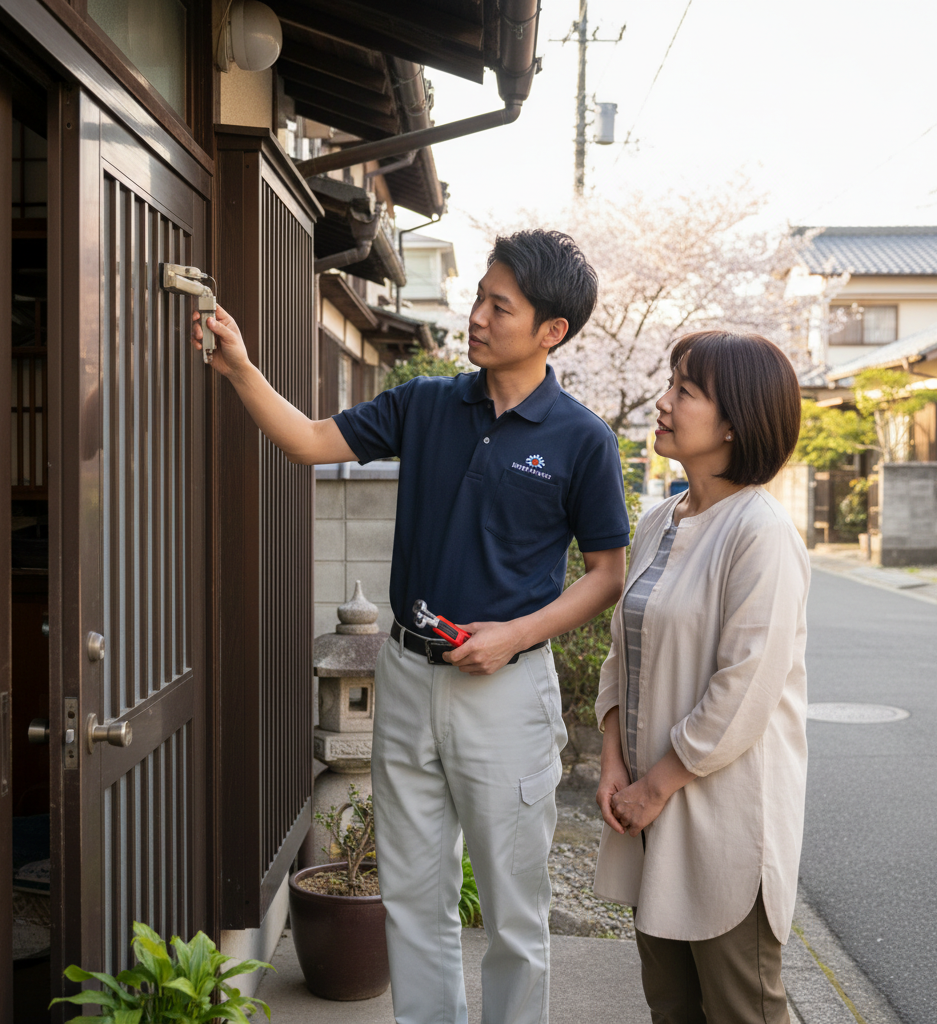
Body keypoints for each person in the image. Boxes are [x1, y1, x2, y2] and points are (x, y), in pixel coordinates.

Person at [193, 230, 630, 1024]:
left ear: (551, 331)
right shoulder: (426, 403)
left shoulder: (582, 439)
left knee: (514, 915)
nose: (477, 316)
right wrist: (241, 369)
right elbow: (309, 441)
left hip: (504, 689)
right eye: (479, 297)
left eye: (501, 306)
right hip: (405, 676)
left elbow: (607, 574)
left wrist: (516, 635)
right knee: (415, 901)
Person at [593, 330, 809, 1024]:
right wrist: (611, 763)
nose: (662, 402)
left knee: (743, 1008)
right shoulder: (661, 518)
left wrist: (652, 788)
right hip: (646, 811)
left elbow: (744, 689)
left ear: (735, 422)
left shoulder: (761, 532)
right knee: (672, 1007)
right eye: (669, 384)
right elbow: (621, 651)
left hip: (720, 818)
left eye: (684, 390)